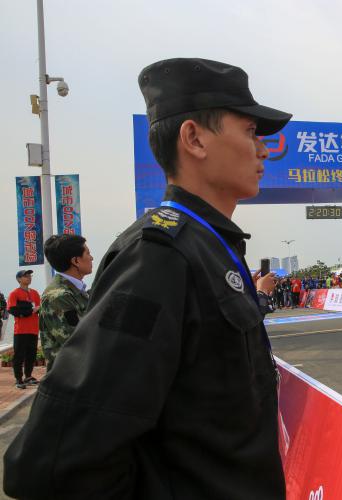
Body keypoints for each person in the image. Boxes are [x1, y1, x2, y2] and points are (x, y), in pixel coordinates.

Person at [4, 58, 291, 499]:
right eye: (252, 132)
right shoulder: (159, 256)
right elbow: (57, 461)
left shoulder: (210, 247)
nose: (264, 149)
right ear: (194, 138)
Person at [39, 234, 94, 372]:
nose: (92, 258)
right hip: (69, 376)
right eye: (88, 253)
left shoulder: (75, 291)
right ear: (76, 261)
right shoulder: (58, 296)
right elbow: (77, 341)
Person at [7, 270, 41, 389]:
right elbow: (13, 310)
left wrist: (35, 310)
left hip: (34, 329)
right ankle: (18, 379)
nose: (29, 277)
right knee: (19, 356)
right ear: (19, 279)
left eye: (30, 275)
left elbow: (39, 309)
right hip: (21, 330)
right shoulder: (14, 293)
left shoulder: (35, 293)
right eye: (26, 276)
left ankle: (28, 376)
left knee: (31, 355)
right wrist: (30, 311)